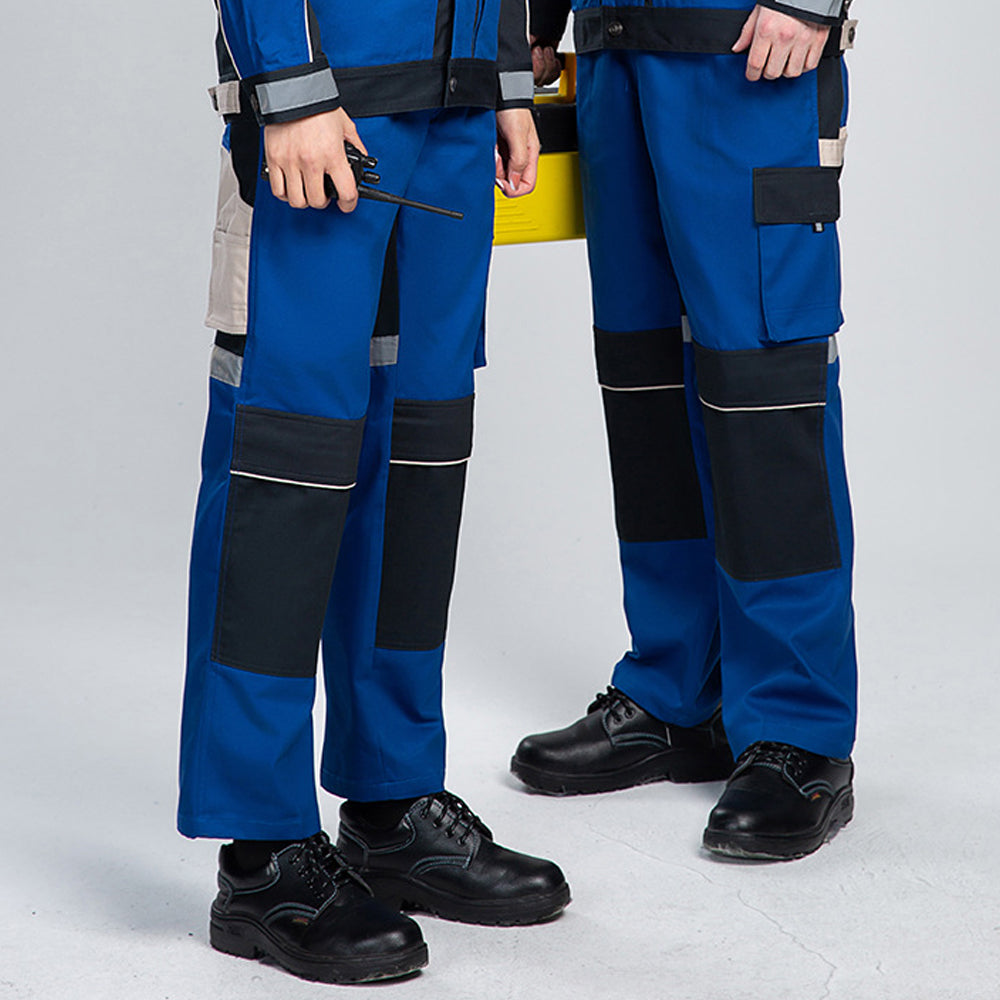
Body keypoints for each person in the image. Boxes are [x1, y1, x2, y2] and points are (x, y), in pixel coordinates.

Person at [179, 0, 570, 984]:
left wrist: (503, 80)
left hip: (453, 102)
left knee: (418, 456)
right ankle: (263, 855)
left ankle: (393, 805)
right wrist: (289, 84)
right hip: (325, 107)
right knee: (284, 464)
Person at [511, 0, 858, 861]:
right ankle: (678, 693)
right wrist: (534, 17)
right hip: (616, 49)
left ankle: (800, 731)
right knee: (645, 378)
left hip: (749, 53)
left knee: (764, 390)